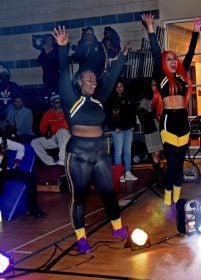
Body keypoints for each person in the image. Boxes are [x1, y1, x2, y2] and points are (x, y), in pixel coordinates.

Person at [53, 25, 130, 254]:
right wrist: (63, 47)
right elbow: (64, 71)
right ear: (79, 81)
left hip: (98, 152)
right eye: (89, 78)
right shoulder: (70, 98)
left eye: (95, 78)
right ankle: (81, 237)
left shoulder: (99, 100)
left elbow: (113, 76)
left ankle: (116, 227)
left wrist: (122, 58)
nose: (94, 81)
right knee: (79, 197)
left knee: (108, 191)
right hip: (78, 154)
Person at [141, 13, 201, 218]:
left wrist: (196, 30)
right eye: (169, 59)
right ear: (163, 62)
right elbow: (155, 51)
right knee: (173, 163)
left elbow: (189, 53)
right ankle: (168, 198)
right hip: (169, 122)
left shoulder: (181, 75)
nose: (173, 61)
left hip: (183, 123)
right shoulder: (161, 76)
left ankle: (177, 198)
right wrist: (150, 29)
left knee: (180, 163)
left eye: (174, 59)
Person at [0, 132, 46, 217]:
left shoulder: (2, 141)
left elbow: (20, 147)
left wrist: (18, 158)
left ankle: (33, 209)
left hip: (3, 172)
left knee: (31, 177)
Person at [105, 78, 138, 183]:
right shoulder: (111, 100)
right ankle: (119, 174)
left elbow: (133, 113)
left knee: (128, 151)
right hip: (117, 130)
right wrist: (114, 128)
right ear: (115, 88)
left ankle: (128, 172)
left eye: (121, 86)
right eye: (117, 87)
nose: (119, 88)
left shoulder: (129, 98)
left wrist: (133, 125)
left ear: (124, 87)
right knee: (118, 152)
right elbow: (108, 117)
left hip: (128, 129)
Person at [30, 92, 70, 166]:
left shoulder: (67, 111)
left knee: (62, 131)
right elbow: (42, 128)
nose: (59, 104)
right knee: (34, 142)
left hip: (67, 137)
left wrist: (50, 128)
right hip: (54, 138)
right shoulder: (48, 113)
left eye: (60, 102)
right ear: (52, 103)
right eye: (56, 102)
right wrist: (46, 132)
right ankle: (51, 163)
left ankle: (62, 161)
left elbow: (64, 126)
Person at [137, 79, 163, 180]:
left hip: (162, 128)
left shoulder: (162, 97)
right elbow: (141, 116)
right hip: (152, 129)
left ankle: (159, 172)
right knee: (155, 152)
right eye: (153, 85)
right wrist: (152, 114)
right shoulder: (146, 99)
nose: (155, 87)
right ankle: (158, 174)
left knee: (160, 152)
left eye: (157, 85)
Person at [0, 64, 22, 129]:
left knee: (11, 107)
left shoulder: (13, 86)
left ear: (8, 77)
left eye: (5, 76)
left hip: (10, 109)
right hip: (0, 108)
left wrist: (12, 103)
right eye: (2, 76)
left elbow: (19, 97)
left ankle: (9, 126)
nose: (4, 78)